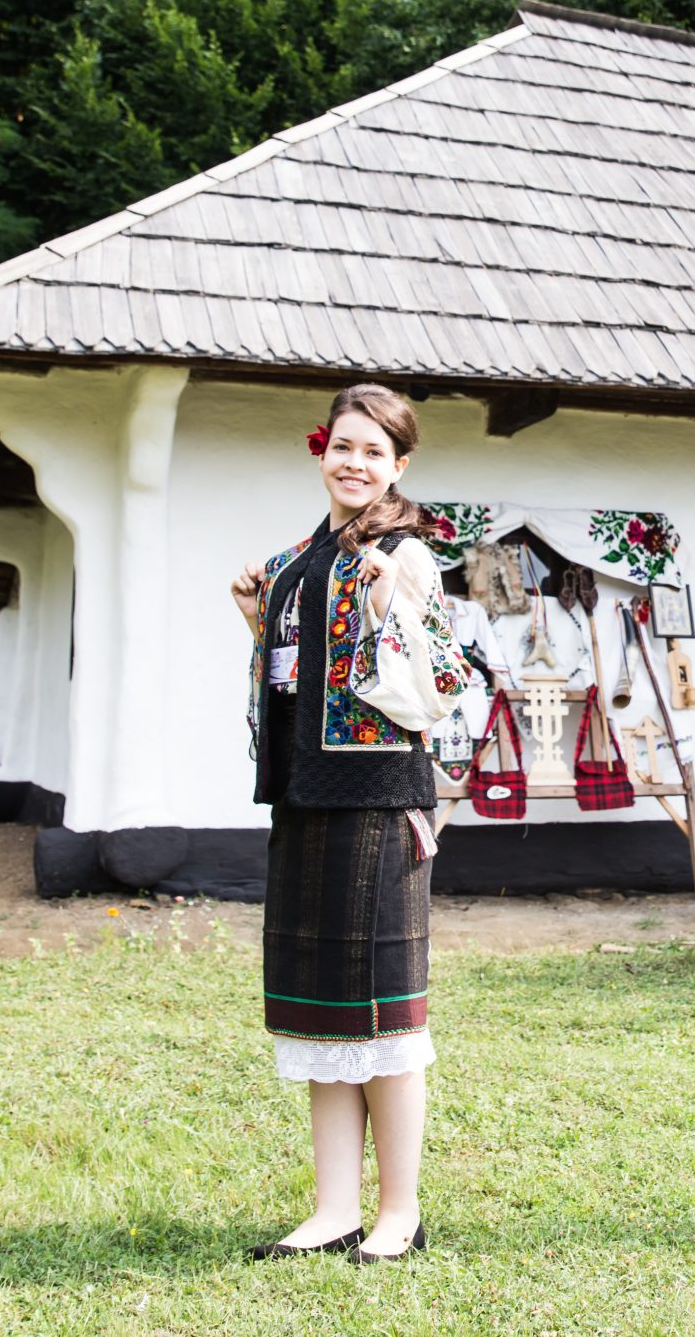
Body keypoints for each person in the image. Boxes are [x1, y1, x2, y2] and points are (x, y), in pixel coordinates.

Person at [229, 382, 467, 1264]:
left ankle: (399, 1212)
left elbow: (440, 684)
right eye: (343, 446)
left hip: (374, 801)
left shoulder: (406, 556)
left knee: (384, 1018)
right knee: (321, 1015)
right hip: (303, 797)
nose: (355, 463)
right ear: (320, 449)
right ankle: (334, 1210)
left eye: (374, 451)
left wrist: (383, 606)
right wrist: (256, 620)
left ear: (398, 465)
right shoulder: (296, 560)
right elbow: (297, 679)